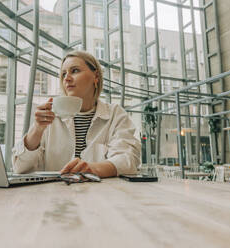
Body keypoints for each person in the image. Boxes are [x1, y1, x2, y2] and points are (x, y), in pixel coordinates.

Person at [12, 50, 141, 178]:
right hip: (56, 196)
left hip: (100, 196)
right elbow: (19, 168)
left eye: (74, 71)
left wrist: (92, 169)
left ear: (96, 76)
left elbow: (128, 159)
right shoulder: (48, 117)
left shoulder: (115, 114)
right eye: (63, 74)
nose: (66, 78)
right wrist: (37, 129)